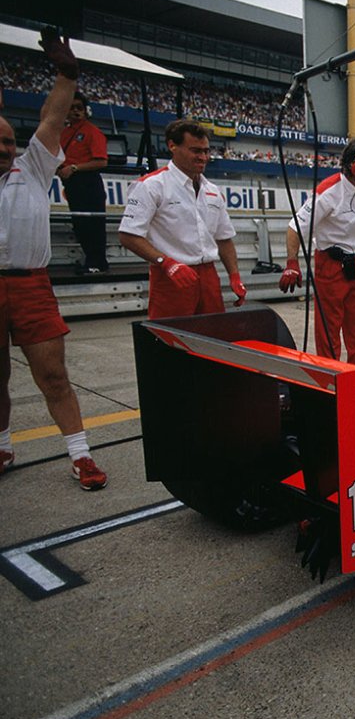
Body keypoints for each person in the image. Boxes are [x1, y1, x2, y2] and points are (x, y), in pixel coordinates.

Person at [0, 29, 106, 490]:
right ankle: (3, 445)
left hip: (30, 285)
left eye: (8, 141)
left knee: (52, 375)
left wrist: (67, 74)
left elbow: (51, 115)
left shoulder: (34, 165)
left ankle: (80, 455)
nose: (5, 149)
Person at [118, 119, 246, 320]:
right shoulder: (151, 186)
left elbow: (224, 238)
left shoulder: (213, 191)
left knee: (214, 339)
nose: (203, 157)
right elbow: (128, 235)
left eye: (206, 151)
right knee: (171, 343)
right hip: (170, 276)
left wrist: (234, 275)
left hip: (209, 277)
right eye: (196, 151)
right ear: (172, 146)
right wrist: (166, 263)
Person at [278, 137, 355, 365]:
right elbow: (295, 226)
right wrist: (292, 263)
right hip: (332, 266)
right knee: (328, 330)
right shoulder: (328, 192)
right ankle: (330, 378)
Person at [57, 91, 108, 274]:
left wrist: (74, 168)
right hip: (72, 183)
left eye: (79, 107)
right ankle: (90, 259)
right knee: (79, 222)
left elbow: (101, 161)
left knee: (93, 223)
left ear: (85, 110)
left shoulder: (93, 132)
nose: (76, 111)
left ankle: (98, 262)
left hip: (88, 182)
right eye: (72, 108)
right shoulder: (65, 133)